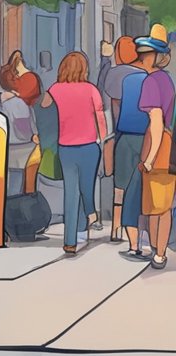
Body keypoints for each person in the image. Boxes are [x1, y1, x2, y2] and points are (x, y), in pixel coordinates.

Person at [41, 51, 106, 255]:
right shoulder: (91, 89)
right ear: (83, 69)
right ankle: (90, 213)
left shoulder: (54, 90)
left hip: (65, 147)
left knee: (72, 191)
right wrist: (102, 138)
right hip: (89, 146)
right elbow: (100, 117)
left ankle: (72, 239)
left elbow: (44, 109)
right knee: (87, 188)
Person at [137, 27, 176, 269]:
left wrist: (150, 157)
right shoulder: (167, 81)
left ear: (155, 56)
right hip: (170, 144)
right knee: (164, 206)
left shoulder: (151, 82)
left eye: (145, 54)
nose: (141, 58)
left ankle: (158, 250)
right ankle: (159, 250)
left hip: (157, 145)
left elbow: (156, 121)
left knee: (155, 206)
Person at [115, 37, 156, 259]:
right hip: (145, 139)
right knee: (143, 192)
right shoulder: (154, 81)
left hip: (124, 139)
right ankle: (148, 241)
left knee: (124, 189)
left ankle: (132, 242)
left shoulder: (128, 80)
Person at [104, 36, 143, 244]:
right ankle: (137, 229)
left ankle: (116, 227)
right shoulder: (145, 76)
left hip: (121, 133)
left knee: (119, 183)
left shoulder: (114, 74)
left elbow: (111, 103)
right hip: (143, 134)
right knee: (139, 184)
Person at [0, 62, 40, 197]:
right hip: (22, 149)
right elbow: (24, 128)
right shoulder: (19, 103)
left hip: (8, 147)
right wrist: (33, 135)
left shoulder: (1, 100)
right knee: (18, 185)